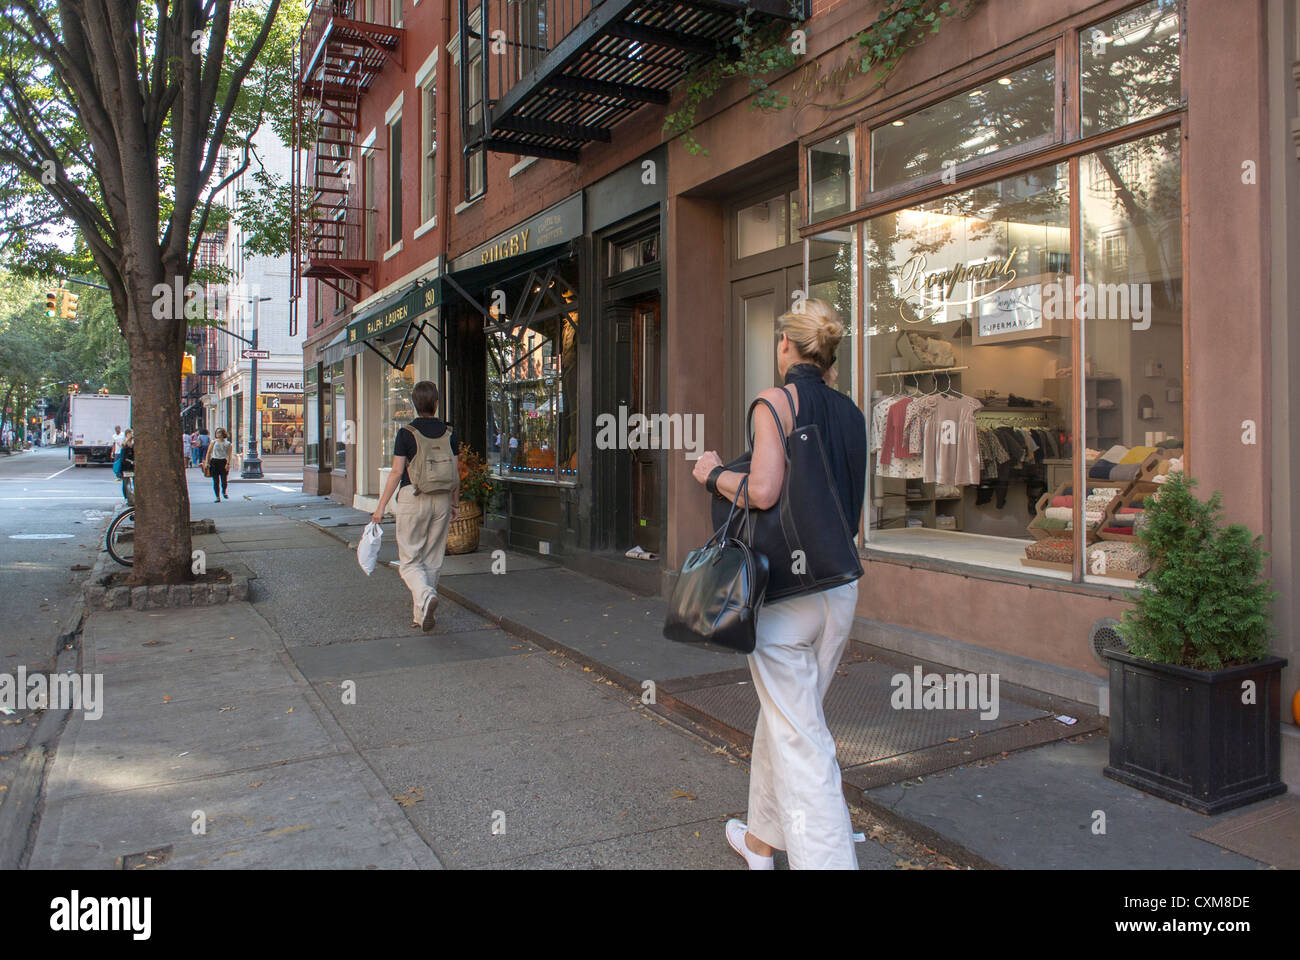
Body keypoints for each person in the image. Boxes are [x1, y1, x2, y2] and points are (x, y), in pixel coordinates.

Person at [691, 299, 866, 871]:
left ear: (786, 346)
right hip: (838, 590)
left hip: (787, 597)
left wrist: (713, 474)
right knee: (788, 720)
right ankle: (762, 844)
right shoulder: (850, 412)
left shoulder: (774, 402)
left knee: (802, 741)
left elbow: (764, 491)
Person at [370, 381, 460, 632]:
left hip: (413, 496)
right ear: (436, 403)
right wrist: (455, 503)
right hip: (442, 498)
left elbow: (397, 472)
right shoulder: (449, 432)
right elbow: (456, 472)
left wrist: (380, 507)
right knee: (432, 558)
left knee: (409, 560)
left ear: (414, 403)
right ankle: (420, 616)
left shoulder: (406, 433)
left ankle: (425, 596)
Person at [204, 428, 232, 502]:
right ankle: (217, 497)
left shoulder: (227, 443)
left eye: (219, 432)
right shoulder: (213, 442)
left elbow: (229, 455)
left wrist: (228, 464)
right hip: (214, 462)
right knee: (216, 481)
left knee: (224, 480)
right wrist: (207, 462)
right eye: (217, 433)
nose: (218, 434)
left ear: (223, 434)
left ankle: (224, 491)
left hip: (223, 462)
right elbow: (209, 452)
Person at [119, 430, 135, 503]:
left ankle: (130, 497)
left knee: (128, 482)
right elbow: (123, 459)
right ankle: (128, 498)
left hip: (131, 467)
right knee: (126, 483)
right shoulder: (125, 446)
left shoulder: (132, 445)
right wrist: (131, 462)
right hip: (126, 467)